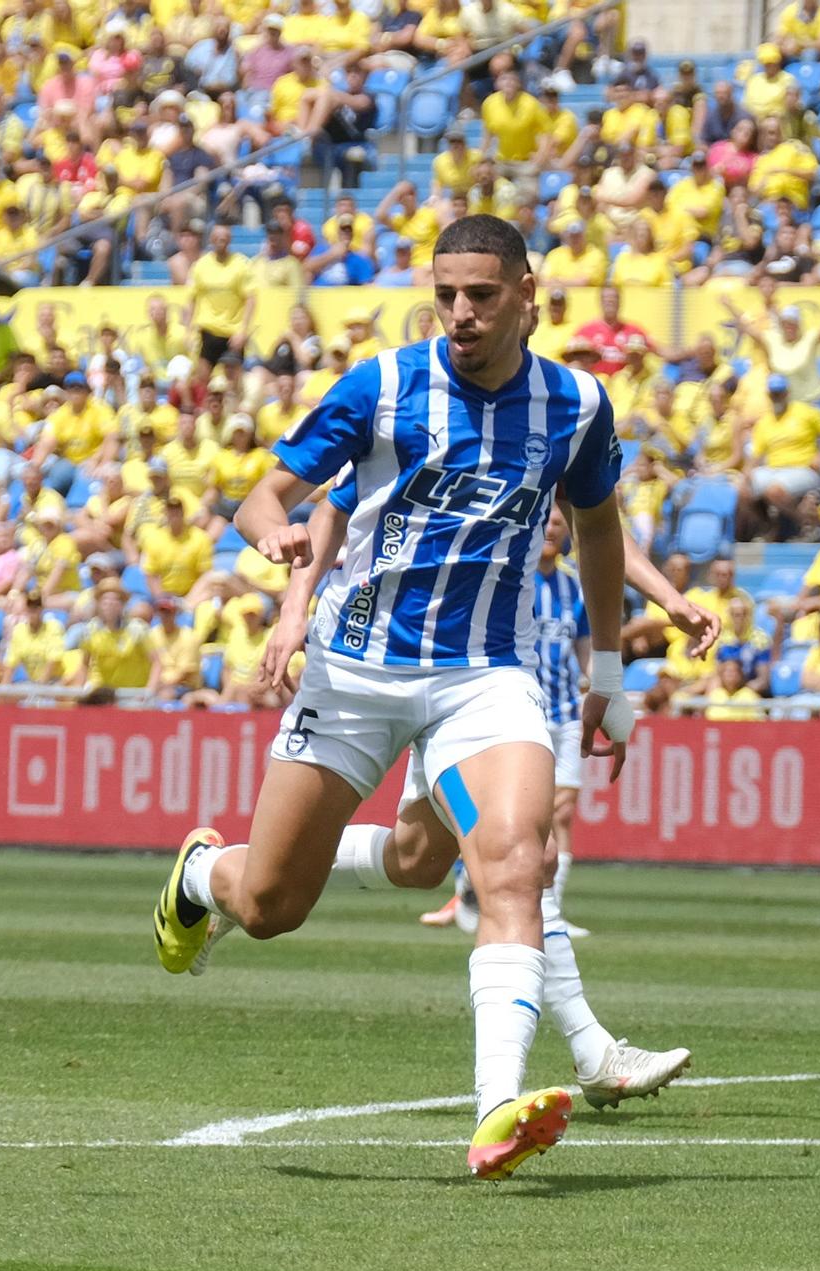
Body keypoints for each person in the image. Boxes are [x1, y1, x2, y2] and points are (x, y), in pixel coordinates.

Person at [150, 216, 635, 1181]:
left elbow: (599, 532)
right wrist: (272, 538)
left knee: (513, 863)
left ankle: (497, 1106)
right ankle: (205, 875)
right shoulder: (381, 386)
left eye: (483, 295)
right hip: (355, 675)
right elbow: (262, 495)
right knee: (274, 903)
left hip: (485, 677)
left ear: (527, 295)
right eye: (448, 292)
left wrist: (610, 677)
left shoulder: (576, 404)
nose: (461, 312)